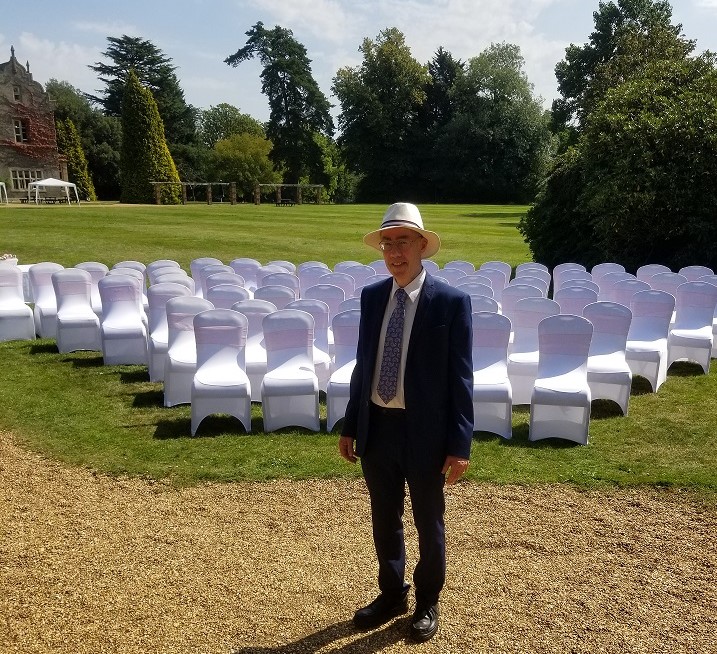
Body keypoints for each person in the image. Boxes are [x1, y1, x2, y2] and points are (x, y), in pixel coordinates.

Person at [339, 202, 473, 642]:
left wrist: (460, 443)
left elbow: (460, 377)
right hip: (377, 426)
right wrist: (350, 422)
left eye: (403, 241)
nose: (395, 251)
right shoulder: (372, 296)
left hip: (426, 433)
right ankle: (392, 592)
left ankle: (428, 600)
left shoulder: (451, 302)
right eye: (387, 243)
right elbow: (364, 362)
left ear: (421, 246)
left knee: (428, 521)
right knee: (384, 518)